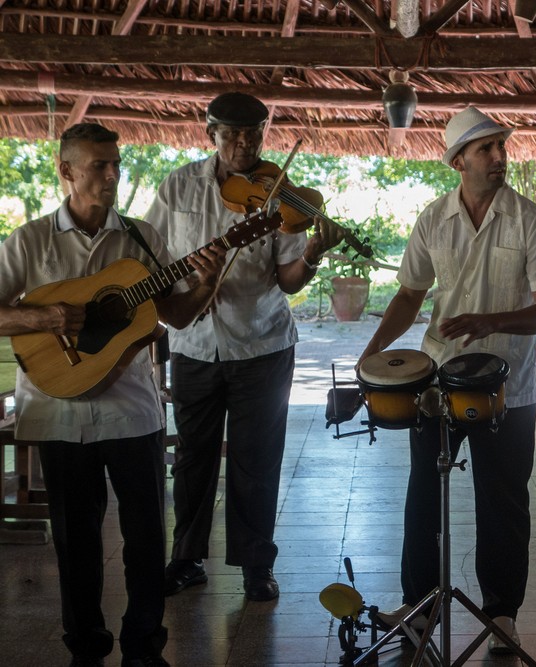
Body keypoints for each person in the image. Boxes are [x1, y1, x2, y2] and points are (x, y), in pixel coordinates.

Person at [0, 123, 225, 666]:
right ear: (66, 171)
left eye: (116, 164)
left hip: (131, 410)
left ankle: (144, 644)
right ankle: (85, 646)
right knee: (75, 542)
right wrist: (42, 315)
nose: (111, 174)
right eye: (98, 164)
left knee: (147, 537)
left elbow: (172, 315)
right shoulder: (28, 240)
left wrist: (206, 282)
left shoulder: (142, 238)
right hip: (55, 408)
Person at [359, 106, 536, 652]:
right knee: (425, 494)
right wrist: (372, 352)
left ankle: (502, 615)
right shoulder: (433, 219)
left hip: (508, 387)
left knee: (503, 503)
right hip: (436, 384)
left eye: (502, 147)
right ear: (458, 162)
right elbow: (409, 294)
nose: (500, 158)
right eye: (487, 150)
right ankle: (420, 605)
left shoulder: (530, 220)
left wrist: (489, 323)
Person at [145, 92, 339, 602]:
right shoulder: (178, 185)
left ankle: (256, 565)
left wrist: (313, 256)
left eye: (254, 134)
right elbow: (152, 258)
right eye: (232, 134)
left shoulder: (279, 192)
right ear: (211, 134)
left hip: (263, 344)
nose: (244, 144)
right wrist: (187, 293)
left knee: (257, 459)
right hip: (193, 344)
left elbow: (289, 278)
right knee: (192, 457)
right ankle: (186, 559)